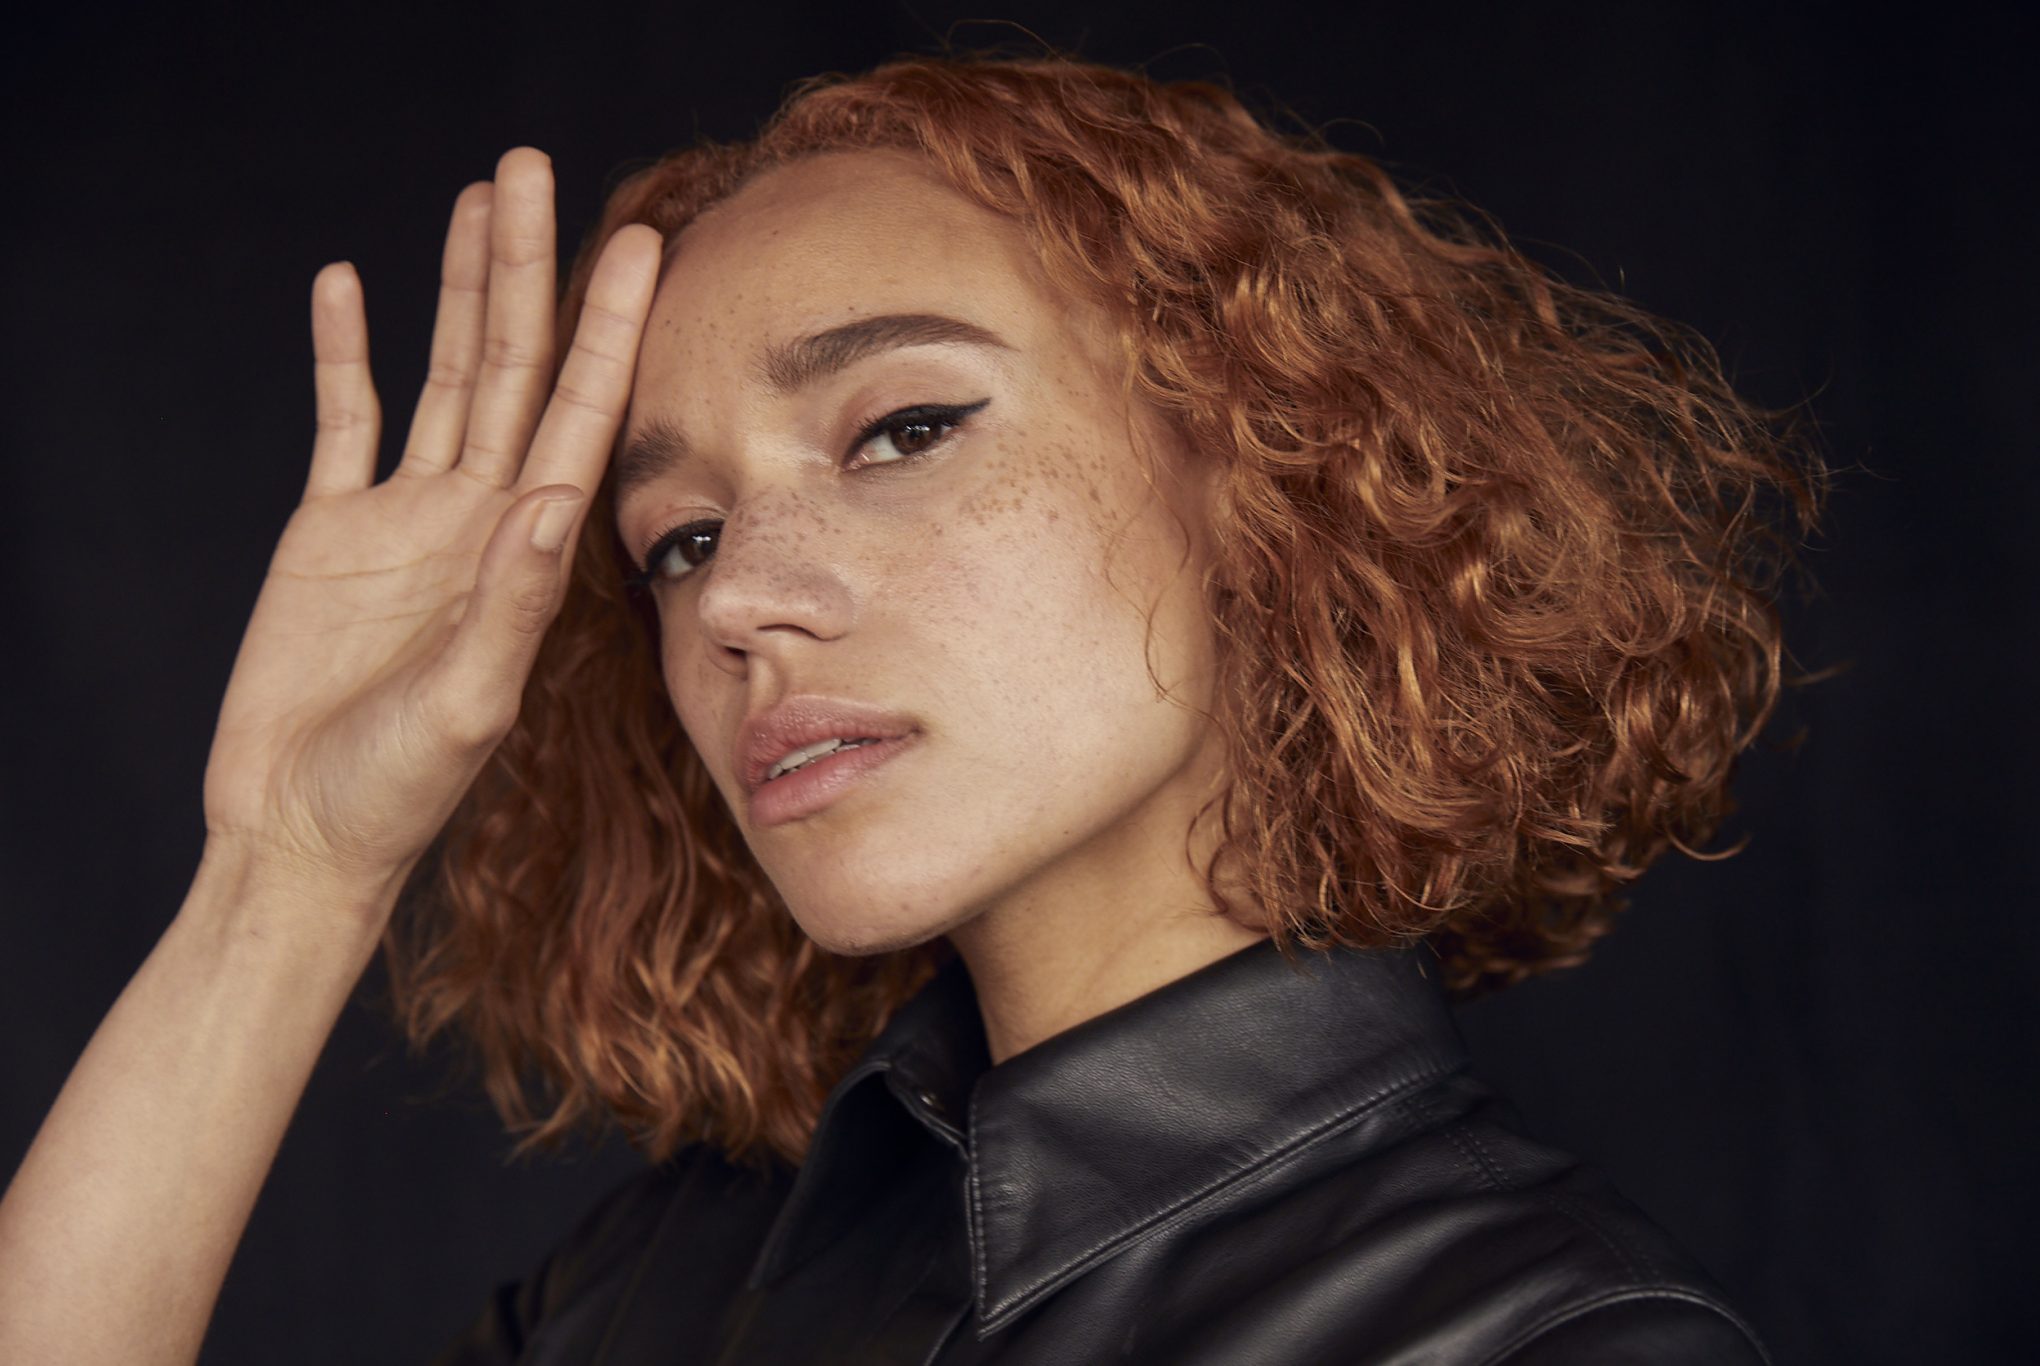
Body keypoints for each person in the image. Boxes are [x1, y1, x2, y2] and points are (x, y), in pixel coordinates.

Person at [0, 53, 1818, 1364]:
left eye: (903, 429)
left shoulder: (1530, 1333)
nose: (739, 597)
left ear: (1267, 462)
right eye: (677, 538)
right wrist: (288, 870)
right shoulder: (671, 1278)